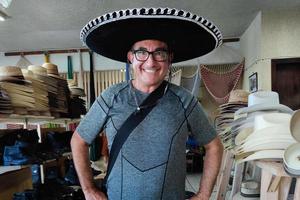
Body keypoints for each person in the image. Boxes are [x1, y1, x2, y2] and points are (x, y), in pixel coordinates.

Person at [71, 7, 224, 200]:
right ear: (130, 57)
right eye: (141, 52)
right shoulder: (111, 97)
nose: (150, 62)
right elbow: (79, 140)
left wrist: (203, 194)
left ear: (170, 59)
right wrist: (88, 189)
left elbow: (214, 146)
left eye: (159, 53)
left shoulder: (184, 100)